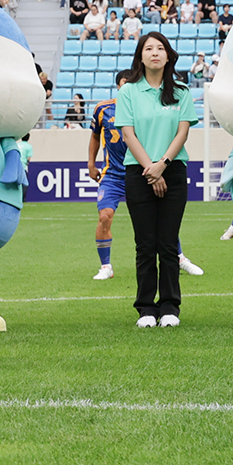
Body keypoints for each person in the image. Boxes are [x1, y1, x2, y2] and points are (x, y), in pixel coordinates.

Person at [115, 32, 197, 327]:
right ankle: (146, 309)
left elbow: (182, 133)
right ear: (140, 56)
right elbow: (128, 134)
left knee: (168, 243)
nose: (154, 53)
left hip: (172, 170)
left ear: (168, 55)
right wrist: (151, 169)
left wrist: (162, 165)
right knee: (145, 244)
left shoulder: (181, 91)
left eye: (160, 48)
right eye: (148, 48)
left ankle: (170, 307)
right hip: (139, 172)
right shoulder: (128, 92)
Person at [86, 73, 131, 281]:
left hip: (138, 174)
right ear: (118, 86)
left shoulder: (143, 108)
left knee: (157, 217)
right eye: (125, 83)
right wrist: (91, 163)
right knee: (104, 216)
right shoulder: (103, 108)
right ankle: (106, 266)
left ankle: (178, 257)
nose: (128, 87)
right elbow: (95, 136)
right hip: (112, 175)